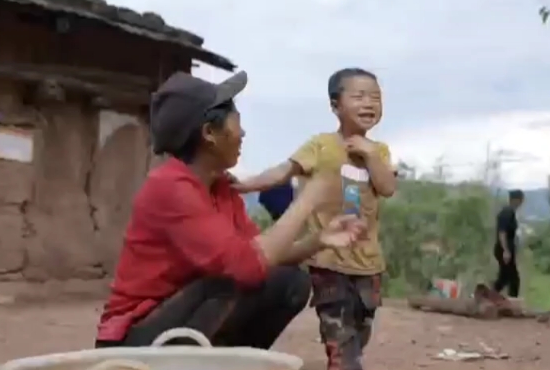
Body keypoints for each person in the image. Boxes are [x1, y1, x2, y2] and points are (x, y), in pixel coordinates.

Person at [95, 70, 365, 350]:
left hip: (175, 316)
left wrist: (317, 240)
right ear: (210, 133)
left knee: (291, 281)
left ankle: (223, 368)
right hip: (132, 340)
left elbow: (265, 255)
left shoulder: (220, 186)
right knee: (237, 280)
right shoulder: (171, 188)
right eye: (237, 121)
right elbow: (249, 265)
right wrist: (309, 199)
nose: (243, 132)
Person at [235, 67, 396, 370]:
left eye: (376, 97)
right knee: (334, 313)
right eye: (359, 96)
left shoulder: (379, 151)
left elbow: (387, 187)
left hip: (368, 259)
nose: (369, 103)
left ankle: (348, 361)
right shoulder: (320, 146)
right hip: (326, 254)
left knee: (361, 319)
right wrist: (247, 184)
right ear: (336, 105)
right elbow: (284, 171)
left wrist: (368, 154)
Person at [493, 189, 524, 298]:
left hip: (506, 249)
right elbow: (502, 232)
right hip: (503, 249)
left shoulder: (510, 212)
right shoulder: (507, 212)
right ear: (515, 200)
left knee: (504, 278)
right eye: (521, 200)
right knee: (514, 279)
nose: (521, 203)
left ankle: (486, 295)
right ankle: (513, 303)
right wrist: (506, 250)